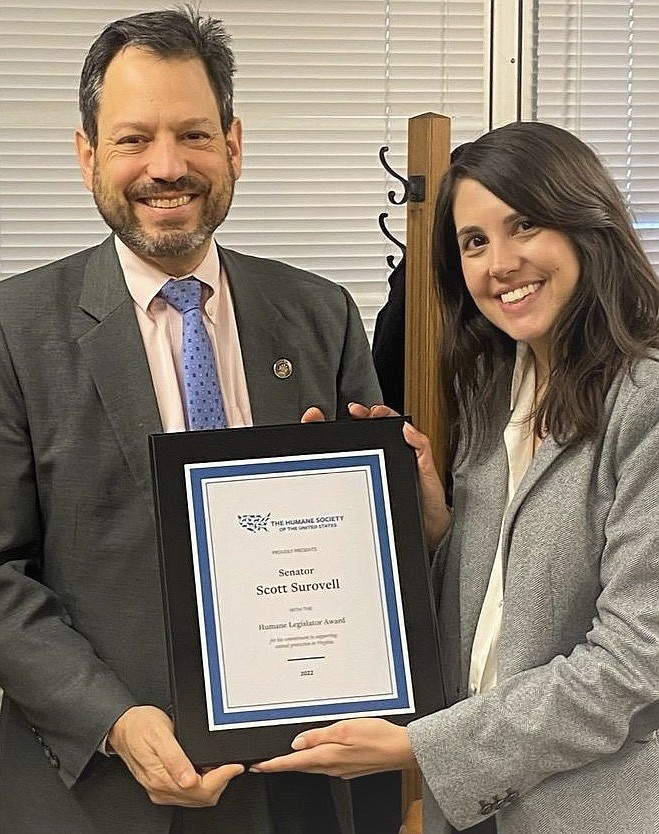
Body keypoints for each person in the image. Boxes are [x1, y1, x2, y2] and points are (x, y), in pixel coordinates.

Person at [0, 7, 382, 834]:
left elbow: (372, 560)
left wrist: (407, 514)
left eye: (193, 135)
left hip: (302, 780)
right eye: (134, 138)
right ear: (86, 155)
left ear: (233, 145)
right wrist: (111, 719)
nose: (166, 167)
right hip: (100, 788)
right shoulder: (14, 328)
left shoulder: (322, 314)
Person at [252, 121, 659, 833]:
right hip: (474, 816)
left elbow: (630, 664)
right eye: (473, 242)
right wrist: (435, 529)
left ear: (584, 222)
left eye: (522, 225)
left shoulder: (645, 401)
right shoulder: (491, 391)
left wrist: (420, 745)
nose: (498, 263)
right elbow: (495, 619)